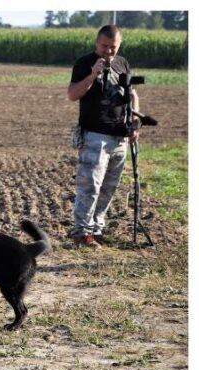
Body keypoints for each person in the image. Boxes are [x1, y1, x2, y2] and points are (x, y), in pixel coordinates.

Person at [67, 24, 140, 246]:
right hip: (94, 136)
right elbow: (72, 94)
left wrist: (135, 121)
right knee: (90, 186)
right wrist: (92, 75)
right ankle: (81, 232)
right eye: (104, 46)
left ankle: (96, 229)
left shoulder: (122, 63)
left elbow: (132, 94)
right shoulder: (84, 63)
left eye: (113, 47)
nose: (109, 51)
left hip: (120, 137)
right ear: (96, 43)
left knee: (109, 187)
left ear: (119, 45)